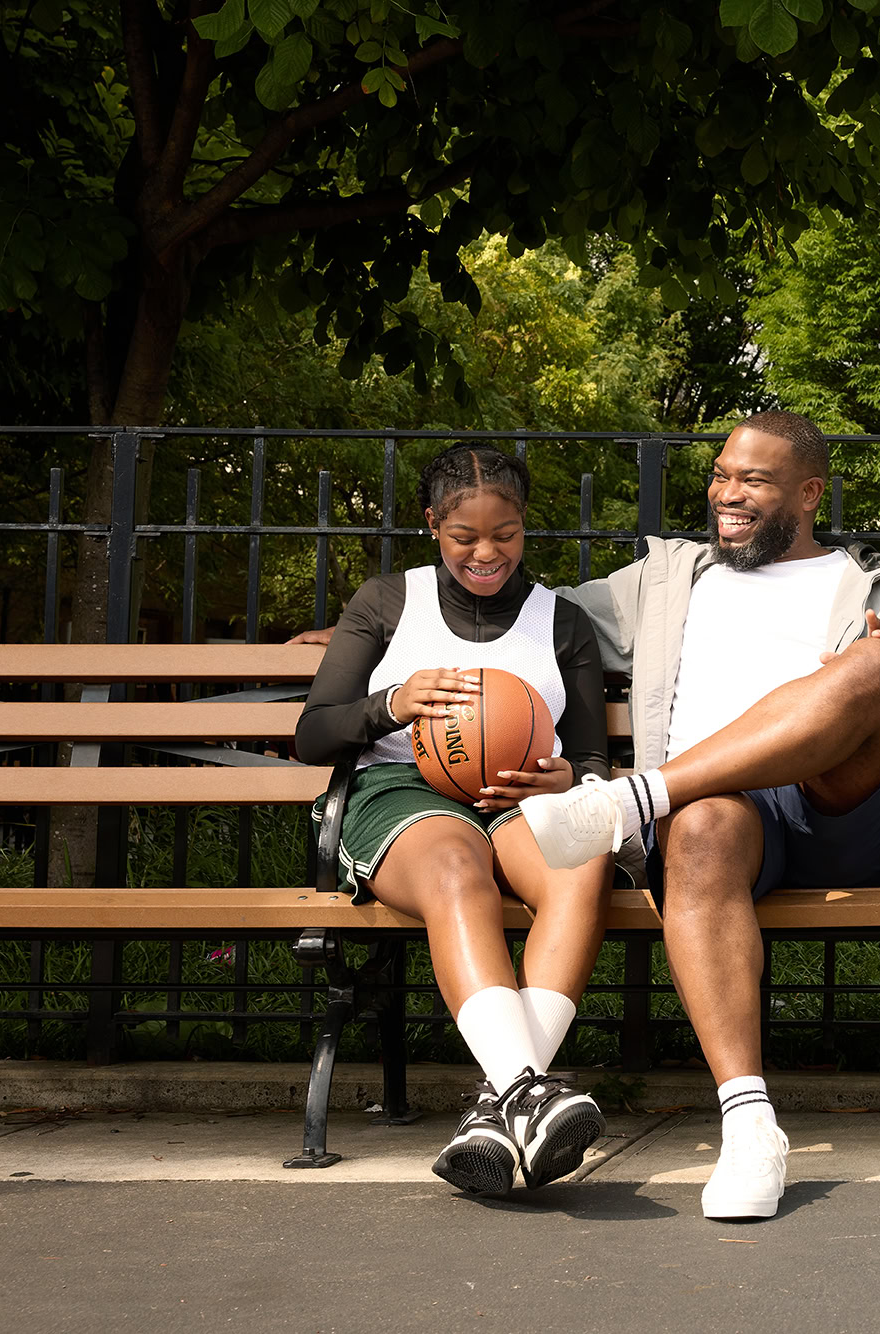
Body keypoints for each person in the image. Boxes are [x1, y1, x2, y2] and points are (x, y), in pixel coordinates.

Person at [518, 410, 880, 1221]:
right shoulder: (667, 582)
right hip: (719, 823)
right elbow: (531, 622)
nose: (727, 494)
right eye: (723, 474)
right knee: (700, 826)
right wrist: (377, 644)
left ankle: (638, 797)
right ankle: (749, 1126)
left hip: (842, 808)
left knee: (877, 665)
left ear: (809, 492)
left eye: (754, 482)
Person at [294, 444, 612, 1199]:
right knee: (455, 872)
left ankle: (500, 1106)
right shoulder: (386, 602)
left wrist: (576, 776)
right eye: (465, 536)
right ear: (433, 524)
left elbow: (595, 757)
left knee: (584, 862)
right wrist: (391, 705)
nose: (486, 552)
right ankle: (526, 1091)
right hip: (404, 791)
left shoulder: (560, 622)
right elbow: (313, 734)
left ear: (524, 527)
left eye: (505, 534)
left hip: (521, 796)